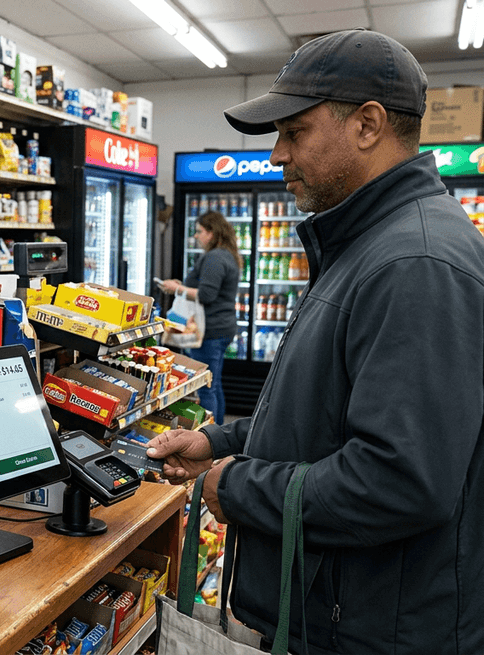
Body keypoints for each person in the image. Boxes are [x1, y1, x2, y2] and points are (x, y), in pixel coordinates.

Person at [147, 29, 484, 654]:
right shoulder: (365, 244)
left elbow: (399, 480)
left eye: (294, 132)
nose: (277, 154)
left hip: (374, 630)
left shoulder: (415, 261)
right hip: (342, 614)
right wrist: (218, 441)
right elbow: (326, 418)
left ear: (368, 124)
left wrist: (237, 486)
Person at [159, 210, 240, 424]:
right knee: (214, 383)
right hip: (222, 327)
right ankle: (219, 429)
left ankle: (208, 437)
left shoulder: (214, 257)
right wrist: (182, 286)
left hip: (209, 331)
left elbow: (206, 295)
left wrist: (176, 289)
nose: (196, 236)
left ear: (212, 233)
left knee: (205, 386)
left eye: (199, 232)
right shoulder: (227, 254)